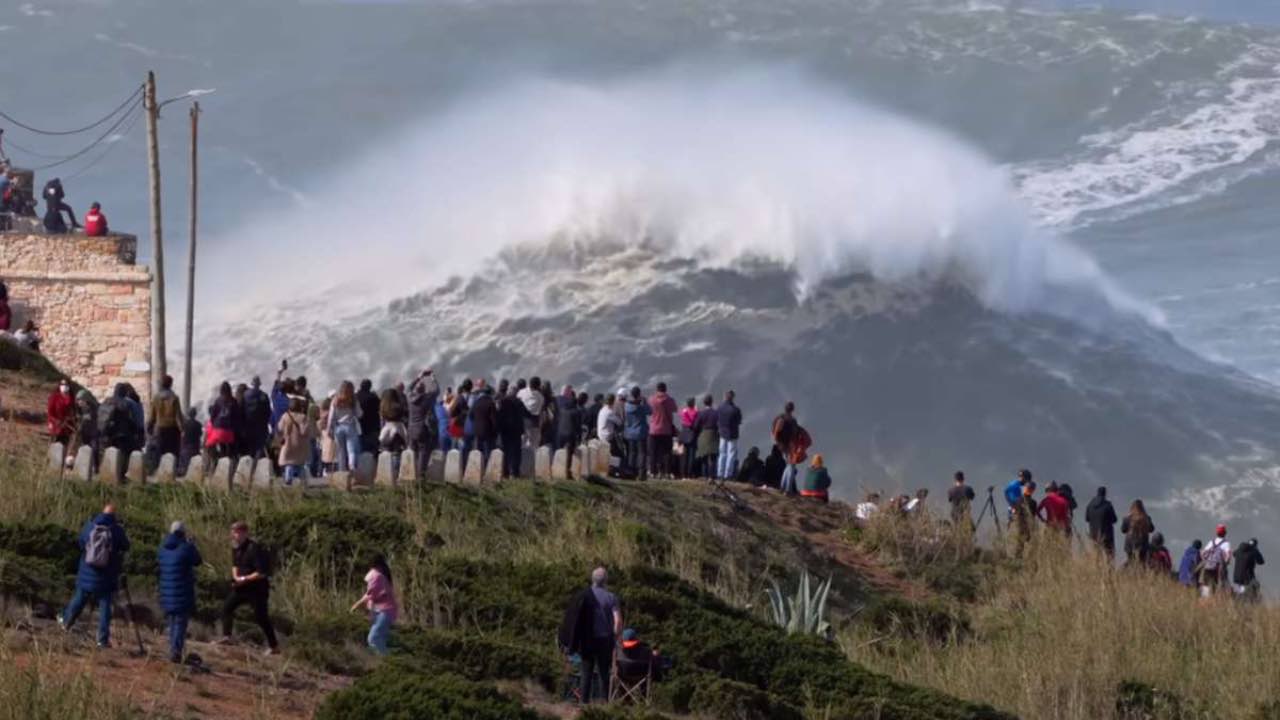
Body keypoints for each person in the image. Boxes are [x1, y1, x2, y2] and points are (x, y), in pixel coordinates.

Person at [58, 504, 131, 648]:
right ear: (114, 515)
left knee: (79, 599)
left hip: (87, 572)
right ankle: (102, 640)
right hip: (107, 576)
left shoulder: (90, 526)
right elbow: (126, 546)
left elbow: (80, 542)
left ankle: (66, 622)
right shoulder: (116, 530)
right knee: (105, 608)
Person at [558, 566, 623, 704]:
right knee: (603, 672)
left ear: (592, 579)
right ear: (605, 580)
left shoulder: (583, 595)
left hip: (587, 639)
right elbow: (617, 621)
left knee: (586, 671)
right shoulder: (611, 597)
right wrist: (616, 638)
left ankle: (583, 703)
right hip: (604, 640)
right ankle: (605, 703)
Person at [218, 521, 279, 655]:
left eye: (237, 532)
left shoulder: (254, 548)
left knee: (261, 617)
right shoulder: (236, 547)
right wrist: (236, 577)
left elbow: (261, 572)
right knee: (227, 608)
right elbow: (235, 565)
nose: (234, 535)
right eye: (233, 532)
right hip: (242, 587)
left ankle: (274, 646)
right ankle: (226, 637)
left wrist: (244, 579)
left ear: (245, 533)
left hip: (257, 589)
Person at [157, 520, 202, 663]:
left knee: (172, 622)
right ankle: (175, 652)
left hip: (166, 591)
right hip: (182, 591)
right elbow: (197, 560)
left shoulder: (163, 548)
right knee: (180, 623)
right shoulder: (186, 548)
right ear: (183, 532)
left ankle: (173, 649)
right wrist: (192, 544)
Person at [350, 554, 398, 655]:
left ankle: (386, 661)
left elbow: (370, 595)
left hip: (384, 611)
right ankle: (385, 662)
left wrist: (356, 605)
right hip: (383, 611)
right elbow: (370, 594)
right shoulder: (380, 576)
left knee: (373, 638)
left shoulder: (376, 576)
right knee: (380, 639)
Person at [100, 383, 142, 483]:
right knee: (124, 455)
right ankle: (121, 475)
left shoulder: (107, 401)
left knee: (110, 454)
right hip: (123, 434)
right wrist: (136, 430)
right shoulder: (126, 403)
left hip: (109, 433)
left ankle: (108, 474)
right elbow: (131, 419)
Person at [772, 402, 809, 496]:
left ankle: (782, 487)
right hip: (789, 446)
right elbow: (793, 434)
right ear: (792, 409)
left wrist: (778, 442)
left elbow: (776, 432)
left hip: (782, 445)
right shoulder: (791, 420)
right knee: (791, 466)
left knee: (789, 465)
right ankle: (788, 490)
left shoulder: (779, 418)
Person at [407, 370, 440, 478]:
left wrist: (419, 377)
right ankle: (420, 477)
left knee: (413, 453)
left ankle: (411, 474)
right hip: (421, 429)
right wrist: (432, 378)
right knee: (423, 452)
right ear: (424, 390)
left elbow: (408, 388)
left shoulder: (410, 398)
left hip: (411, 429)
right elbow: (436, 390)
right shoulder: (426, 398)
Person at [326, 380, 362, 472]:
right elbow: (359, 414)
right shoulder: (353, 400)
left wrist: (329, 429)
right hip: (350, 426)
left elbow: (331, 416)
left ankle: (342, 470)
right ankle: (352, 466)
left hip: (338, 427)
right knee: (351, 449)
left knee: (340, 451)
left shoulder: (335, 400)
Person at [277, 396, 314, 485]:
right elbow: (306, 431)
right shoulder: (303, 417)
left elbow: (280, 427)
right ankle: (303, 480)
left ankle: (288, 478)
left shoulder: (285, 416)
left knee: (289, 462)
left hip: (289, 443)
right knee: (300, 463)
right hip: (300, 444)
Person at [147, 374, 184, 461]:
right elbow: (178, 416)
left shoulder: (156, 398)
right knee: (173, 454)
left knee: (160, 453)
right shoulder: (174, 398)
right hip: (173, 430)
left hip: (160, 429)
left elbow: (152, 416)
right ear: (171, 384)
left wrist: (149, 427)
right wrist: (182, 429)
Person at [496, 379, 527, 478]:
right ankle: (514, 472)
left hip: (505, 430)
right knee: (516, 452)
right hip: (517, 430)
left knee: (505, 450)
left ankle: (505, 472)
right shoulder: (519, 402)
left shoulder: (503, 401)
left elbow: (499, 415)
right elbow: (526, 414)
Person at [647, 383, 678, 479]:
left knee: (653, 452)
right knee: (667, 452)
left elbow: (648, 411)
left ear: (657, 389)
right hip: (666, 429)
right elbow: (675, 409)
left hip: (653, 429)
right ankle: (667, 472)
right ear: (665, 389)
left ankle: (653, 472)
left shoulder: (651, 399)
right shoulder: (670, 400)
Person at [206, 381, 239, 467]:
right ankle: (230, 462)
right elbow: (236, 416)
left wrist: (214, 425)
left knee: (222, 446)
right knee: (232, 447)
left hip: (218, 430)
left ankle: (221, 461)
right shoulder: (233, 401)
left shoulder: (218, 400)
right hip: (229, 431)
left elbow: (213, 415)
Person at [241, 377, 272, 461]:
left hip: (248, 425)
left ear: (252, 383)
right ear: (259, 384)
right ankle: (256, 464)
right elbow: (268, 412)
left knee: (250, 447)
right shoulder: (264, 396)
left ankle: (250, 465)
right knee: (259, 447)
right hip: (261, 427)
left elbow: (241, 409)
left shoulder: (245, 395)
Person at [623, 387, 650, 479]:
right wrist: (645, 402)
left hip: (629, 432)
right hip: (640, 432)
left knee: (631, 453)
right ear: (639, 394)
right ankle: (642, 473)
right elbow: (650, 411)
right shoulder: (640, 407)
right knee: (642, 453)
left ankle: (631, 472)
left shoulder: (626, 406)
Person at [1198, 524, 1232, 598]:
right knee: (1220, 584)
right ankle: (1217, 600)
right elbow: (1228, 556)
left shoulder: (1211, 542)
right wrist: (1226, 563)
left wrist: (1206, 560)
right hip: (1218, 568)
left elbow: (1203, 553)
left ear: (1216, 532)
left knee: (1206, 584)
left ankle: (1204, 599)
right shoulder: (1226, 543)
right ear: (1225, 533)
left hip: (1208, 567)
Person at [468, 381, 498, 464]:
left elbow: (470, 415)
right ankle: (487, 468)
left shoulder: (476, 402)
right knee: (488, 452)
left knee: (478, 452)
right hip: (488, 431)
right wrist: (495, 430)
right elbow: (494, 419)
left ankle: (479, 469)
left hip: (477, 430)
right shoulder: (490, 403)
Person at [1085, 487, 1118, 558]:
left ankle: (1097, 568)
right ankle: (1110, 569)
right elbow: (1115, 519)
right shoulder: (1108, 505)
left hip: (1094, 534)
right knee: (1110, 555)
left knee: (1097, 555)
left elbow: (1087, 519)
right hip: (1107, 535)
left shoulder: (1089, 505)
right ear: (1105, 493)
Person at [1120, 500, 1154, 566]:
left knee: (1130, 562)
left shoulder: (1127, 518)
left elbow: (1123, 530)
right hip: (1143, 545)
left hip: (1130, 545)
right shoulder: (1146, 518)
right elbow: (1151, 529)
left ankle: (1131, 575)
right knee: (1142, 564)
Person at [694, 394, 720, 480]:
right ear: (711, 402)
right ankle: (712, 477)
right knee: (713, 457)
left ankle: (705, 476)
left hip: (704, 434)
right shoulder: (716, 413)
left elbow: (696, 426)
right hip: (713, 434)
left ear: (704, 403)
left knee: (704, 457)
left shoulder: (701, 413)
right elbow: (719, 424)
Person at [355, 379, 381, 457]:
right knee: (373, 450)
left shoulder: (356, 396)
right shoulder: (373, 397)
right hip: (373, 427)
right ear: (370, 387)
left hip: (359, 426)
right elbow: (380, 406)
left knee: (361, 449)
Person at [517, 377, 545, 448]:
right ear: (538, 386)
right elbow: (539, 411)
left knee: (522, 445)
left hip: (522, 423)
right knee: (534, 446)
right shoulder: (540, 397)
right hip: (534, 423)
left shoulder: (521, 392)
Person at [1012, 481, 1038, 557]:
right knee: (1030, 544)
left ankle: (1017, 561)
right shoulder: (1033, 503)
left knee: (1019, 545)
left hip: (1019, 524)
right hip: (1028, 525)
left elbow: (1013, 512)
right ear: (1033, 490)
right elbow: (1033, 515)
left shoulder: (1018, 500)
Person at [46, 378, 75, 446]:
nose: (64, 386)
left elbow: (73, 411)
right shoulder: (54, 397)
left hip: (67, 425)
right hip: (56, 424)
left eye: (66, 384)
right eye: (62, 384)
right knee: (55, 443)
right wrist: (54, 421)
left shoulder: (71, 397)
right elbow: (50, 412)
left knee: (65, 443)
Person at [678, 397, 698, 478]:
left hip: (684, 434)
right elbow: (695, 421)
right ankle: (689, 473)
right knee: (691, 456)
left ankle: (683, 473)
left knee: (684, 455)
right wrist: (696, 410)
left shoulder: (683, 411)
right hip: (692, 435)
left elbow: (680, 413)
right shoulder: (695, 412)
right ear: (693, 403)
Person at [178, 407, 202, 476]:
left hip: (185, 446)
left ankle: (183, 471)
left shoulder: (185, 424)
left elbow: (182, 433)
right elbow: (200, 434)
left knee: (184, 460)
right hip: (195, 446)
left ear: (188, 414)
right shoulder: (198, 424)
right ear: (195, 414)